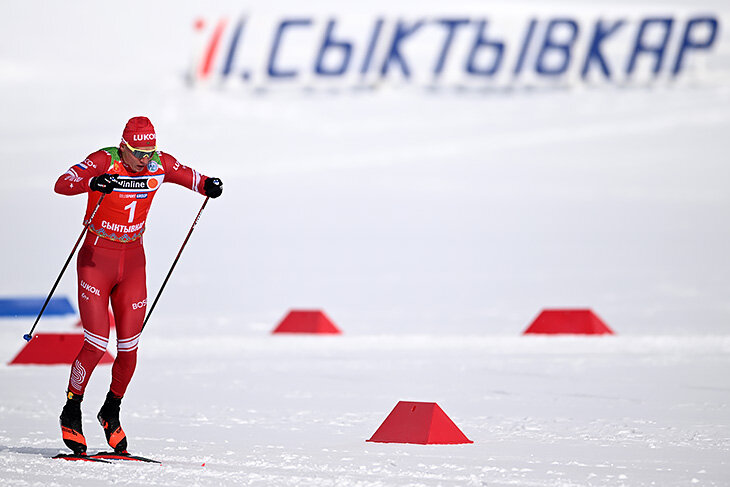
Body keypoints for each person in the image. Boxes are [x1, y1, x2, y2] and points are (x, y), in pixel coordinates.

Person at [54, 116, 222, 455]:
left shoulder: (160, 163)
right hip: (96, 258)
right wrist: (93, 183)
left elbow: (196, 179)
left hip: (132, 262)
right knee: (97, 342)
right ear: (124, 147)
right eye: (138, 153)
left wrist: (210, 185)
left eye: (149, 151)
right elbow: (62, 183)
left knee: (129, 348)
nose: (145, 159)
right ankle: (72, 408)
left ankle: (111, 411)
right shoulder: (105, 159)